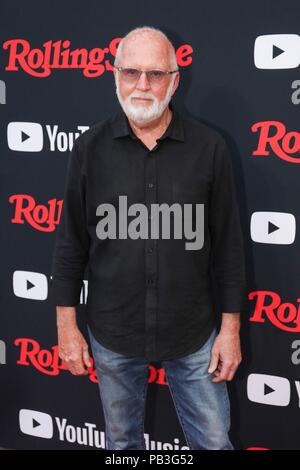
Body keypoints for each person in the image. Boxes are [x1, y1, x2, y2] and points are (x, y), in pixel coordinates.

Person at [51, 25, 246, 450]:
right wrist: (67, 328)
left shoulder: (210, 148)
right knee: (122, 446)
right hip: (113, 333)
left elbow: (229, 248)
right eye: (131, 72)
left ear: (175, 80)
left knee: (214, 443)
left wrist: (229, 332)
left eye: (156, 74)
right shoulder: (89, 149)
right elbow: (70, 245)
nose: (142, 85)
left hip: (193, 333)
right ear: (115, 75)